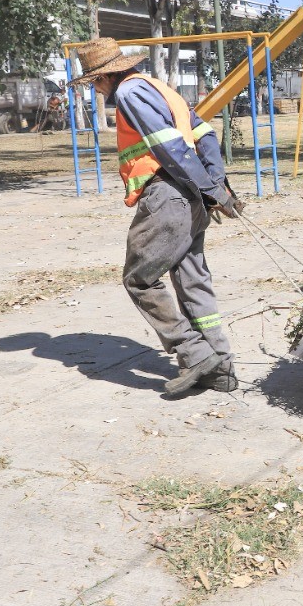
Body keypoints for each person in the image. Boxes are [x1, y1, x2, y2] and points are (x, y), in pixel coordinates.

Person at [68, 38, 243, 397]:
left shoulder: (130, 95)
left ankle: (194, 355)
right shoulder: (162, 89)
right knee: (192, 282)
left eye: (94, 83)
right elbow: (205, 136)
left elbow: (169, 146)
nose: (97, 90)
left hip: (167, 195)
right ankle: (220, 368)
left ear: (104, 78)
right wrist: (215, 184)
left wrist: (213, 190)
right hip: (191, 197)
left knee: (139, 279)